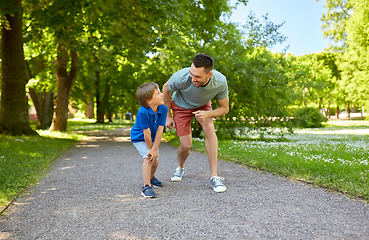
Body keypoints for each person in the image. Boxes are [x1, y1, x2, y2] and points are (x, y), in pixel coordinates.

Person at [162, 53, 229, 193]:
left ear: (209, 74)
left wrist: (208, 114)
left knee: (210, 130)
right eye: (192, 74)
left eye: (197, 76)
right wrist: (168, 116)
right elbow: (166, 89)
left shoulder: (220, 81)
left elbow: (224, 108)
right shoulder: (181, 77)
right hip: (180, 106)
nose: (193, 79)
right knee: (186, 145)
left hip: (203, 106)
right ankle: (180, 167)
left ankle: (214, 177)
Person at [130, 82, 168, 198]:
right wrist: (151, 149)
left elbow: (160, 131)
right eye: (158, 93)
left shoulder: (163, 109)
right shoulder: (142, 112)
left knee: (155, 160)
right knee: (148, 157)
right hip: (139, 137)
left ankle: (151, 177)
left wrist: (155, 149)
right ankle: (146, 186)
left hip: (152, 137)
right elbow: (146, 133)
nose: (162, 94)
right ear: (148, 101)